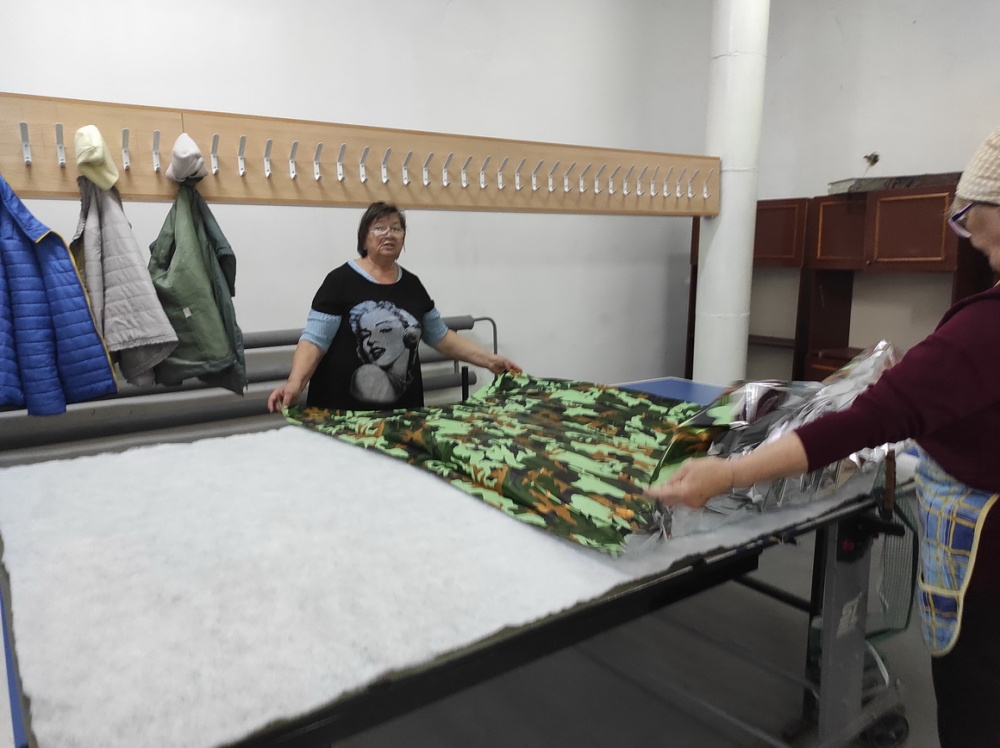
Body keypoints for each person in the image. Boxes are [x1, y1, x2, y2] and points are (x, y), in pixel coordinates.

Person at [649, 126, 1000, 747]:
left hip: (988, 566)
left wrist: (727, 473)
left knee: (979, 706)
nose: (966, 232)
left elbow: (859, 423)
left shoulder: (984, 330)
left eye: (969, 215)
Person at [268, 201, 518, 412]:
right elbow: (314, 340)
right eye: (379, 228)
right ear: (364, 238)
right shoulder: (339, 281)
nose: (389, 234)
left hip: (403, 414)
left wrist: (488, 360)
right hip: (340, 414)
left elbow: (440, 336)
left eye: (396, 228)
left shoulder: (412, 285)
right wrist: (295, 383)